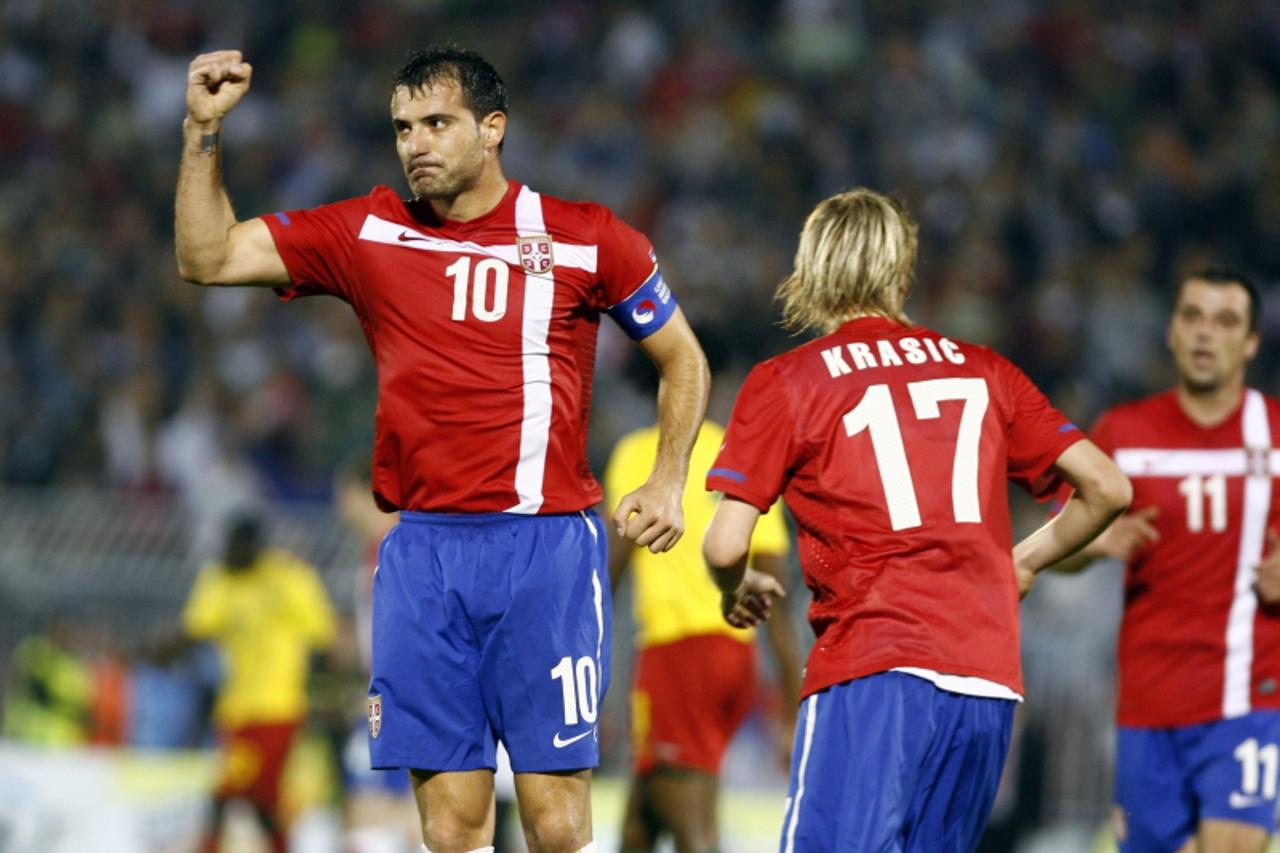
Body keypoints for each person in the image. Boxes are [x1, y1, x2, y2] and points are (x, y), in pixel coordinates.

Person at [175, 46, 709, 853]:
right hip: (424, 553)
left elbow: (683, 358)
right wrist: (201, 131)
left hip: (546, 551)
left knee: (558, 825)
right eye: (402, 127)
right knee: (452, 826)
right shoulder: (370, 230)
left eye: (437, 123)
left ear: (493, 129)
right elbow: (206, 257)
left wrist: (670, 478)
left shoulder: (584, 237)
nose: (415, 143)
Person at [700, 188, 1131, 852]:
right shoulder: (986, 370)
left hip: (873, 666)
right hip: (985, 681)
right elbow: (1106, 486)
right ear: (903, 272)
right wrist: (1023, 561)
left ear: (811, 272)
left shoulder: (790, 379)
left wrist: (736, 587)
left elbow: (727, 542)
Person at [1052, 269, 1280, 853]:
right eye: (1192, 317)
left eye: (1225, 321)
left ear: (1252, 342)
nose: (1206, 334)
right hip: (1147, 704)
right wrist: (1089, 543)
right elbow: (1057, 550)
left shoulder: (1274, 434)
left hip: (1248, 697)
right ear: (1172, 331)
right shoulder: (1125, 435)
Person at [605, 412, 801, 853]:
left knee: (692, 820)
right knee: (643, 817)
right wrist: (790, 711)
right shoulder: (740, 456)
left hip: (678, 653)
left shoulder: (641, 452)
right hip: (733, 654)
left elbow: (606, 571)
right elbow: (778, 597)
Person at [182, 511, 337, 853]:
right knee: (257, 800)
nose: (230, 556)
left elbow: (324, 639)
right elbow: (195, 629)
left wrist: (326, 696)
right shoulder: (220, 578)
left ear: (255, 547)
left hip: (279, 707)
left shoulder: (290, 578)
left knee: (229, 795)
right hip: (235, 710)